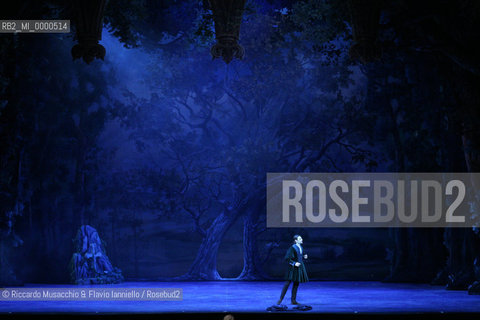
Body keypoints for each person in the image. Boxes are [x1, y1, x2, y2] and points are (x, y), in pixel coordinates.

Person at [277, 234, 309, 305]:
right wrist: (294, 263)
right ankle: (280, 299)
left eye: (301, 238)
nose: (302, 240)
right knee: (287, 283)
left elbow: (298, 257)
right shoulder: (292, 248)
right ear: (296, 240)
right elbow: (287, 258)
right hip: (293, 268)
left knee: (296, 283)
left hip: (299, 267)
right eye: (300, 239)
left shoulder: (300, 247)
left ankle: (293, 300)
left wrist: (304, 257)